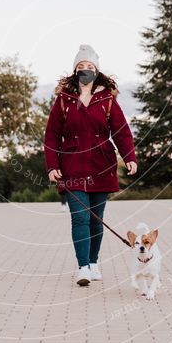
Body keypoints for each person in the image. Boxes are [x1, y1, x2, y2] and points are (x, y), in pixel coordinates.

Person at [43, 44, 138, 287]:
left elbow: (122, 132)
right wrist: (52, 165)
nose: (85, 70)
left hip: (101, 165)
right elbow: (52, 135)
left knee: (97, 220)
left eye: (89, 66)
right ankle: (82, 267)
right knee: (80, 218)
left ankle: (94, 263)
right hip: (72, 166)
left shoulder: (107, 99)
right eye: (80, 66)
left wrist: (129, 157)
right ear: (74, 71)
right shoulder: (64, 100)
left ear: (97, 70)